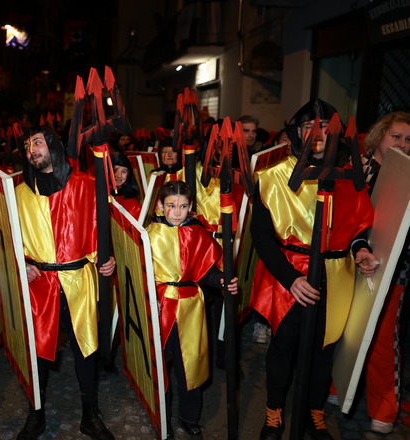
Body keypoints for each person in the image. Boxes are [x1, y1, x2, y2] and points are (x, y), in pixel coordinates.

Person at [250, 99, 378, 440]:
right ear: (297, 132)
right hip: (289, 274)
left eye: (325, 127)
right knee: (283, 345)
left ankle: (314, 413)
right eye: (309, 127)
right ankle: (274, 413)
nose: (318, 134)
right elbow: (261, 237)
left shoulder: (349, 176)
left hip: (336, 275)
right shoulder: (272, 177)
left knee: (324, 348)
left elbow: (358, 228)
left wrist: (361, 249)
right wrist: (291, 279)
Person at [14, 126, 116, 440]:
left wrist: (108, 257)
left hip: (78, 279)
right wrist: (21, 264)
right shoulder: (19, 193)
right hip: (39, 281)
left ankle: (90, 414)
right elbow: (7, 240)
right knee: (37, 351)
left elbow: (102, 225)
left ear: (53, 146)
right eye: (27, 146)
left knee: (85, 349)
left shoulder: (86, 185)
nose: (31, 150)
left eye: (37, 142)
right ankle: (36, 413)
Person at [148, 180, 238, 437]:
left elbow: (206, 270)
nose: (177, 212)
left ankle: (189, 416)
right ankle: (161, 415)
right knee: (158, 364)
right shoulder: (149, 234)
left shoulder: (197, 232)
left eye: (183, 206)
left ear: (191, 208)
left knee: (190, 362)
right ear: (160, 206)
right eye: (171, 206)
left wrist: (221, 280)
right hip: (160, 304)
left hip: (190, 305)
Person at [359, 111, 410, 434]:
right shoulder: (358, 168)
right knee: (345, 331)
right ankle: (336, 388)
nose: (403, 144)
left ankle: (383, 408)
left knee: (382, 337)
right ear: (379, 137)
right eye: (396, 137)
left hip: (395, 269)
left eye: (408, 139)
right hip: (350, 263)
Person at [111, 152, 142, 219]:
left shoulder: (133, 204)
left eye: (124, 172)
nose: (119, 175)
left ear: (128, 174)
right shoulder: (100, 194)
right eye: (115, 171)